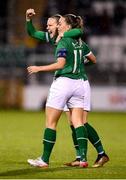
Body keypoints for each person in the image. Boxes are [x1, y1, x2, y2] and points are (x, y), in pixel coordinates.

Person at [26, 9, 109, 168]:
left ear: (60, 25)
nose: (47, 27)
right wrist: (28, 19)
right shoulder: (57, 38)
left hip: (73, 81)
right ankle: (81, 158)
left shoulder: (66, 38)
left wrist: (77, 67)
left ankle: (99, 153)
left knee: (76, 122)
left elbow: (77, 32)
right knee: (74, 122)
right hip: (76, 82)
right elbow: (32, 33)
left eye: (51, 24)